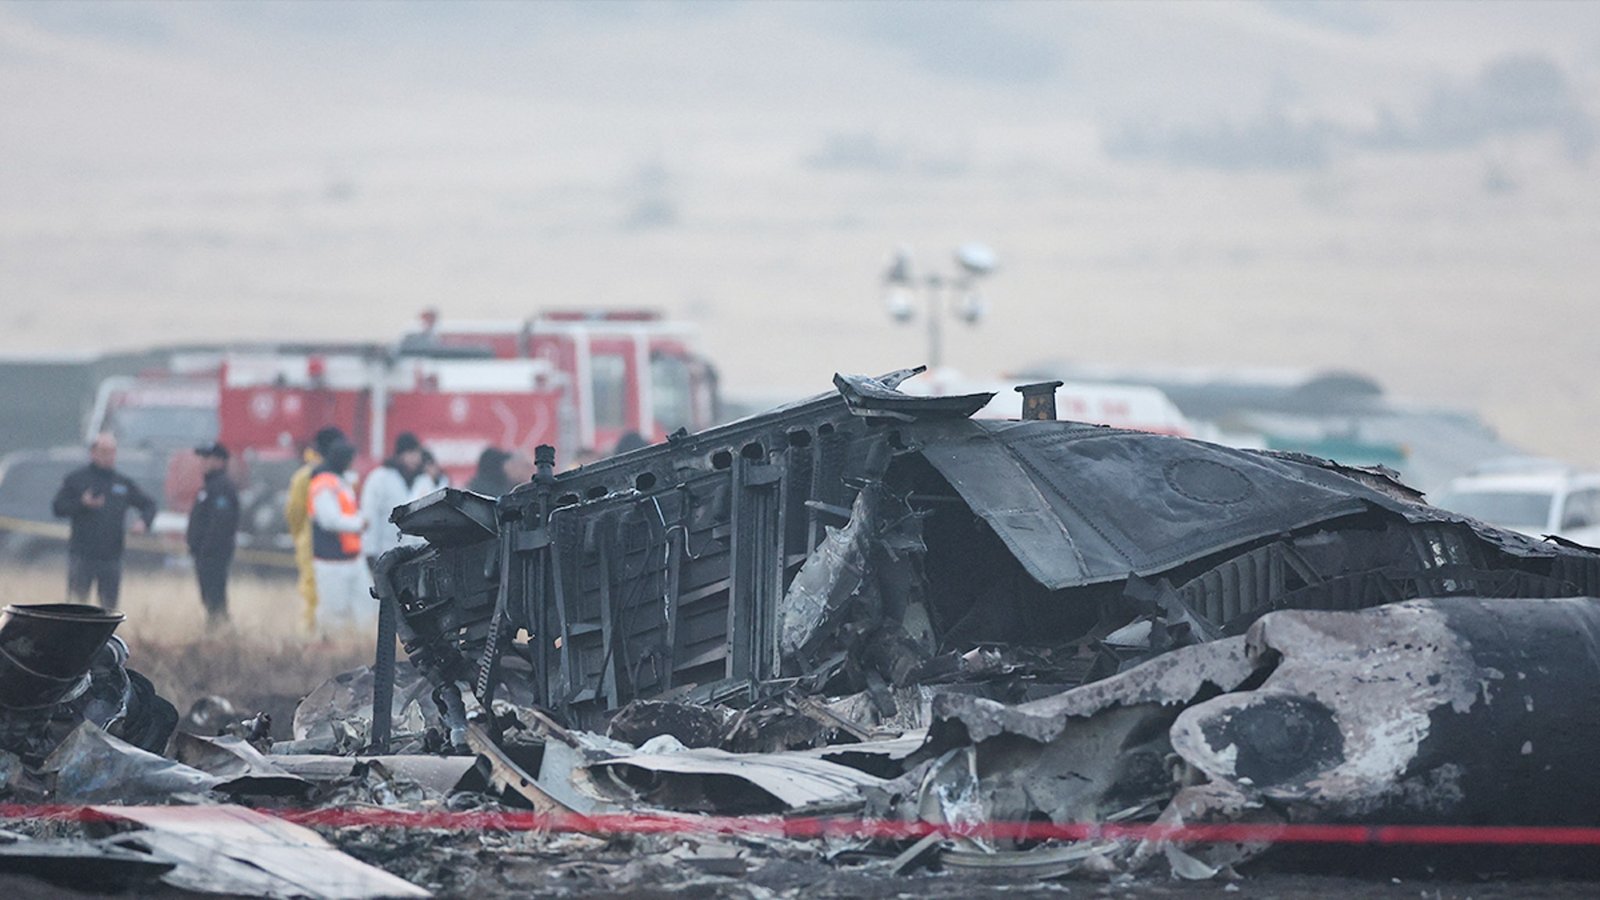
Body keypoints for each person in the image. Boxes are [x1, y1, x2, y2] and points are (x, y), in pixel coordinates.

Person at [51, 433, 157, 610]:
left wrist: (143, 522)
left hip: (111, 556)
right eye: (104, 451)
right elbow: (57, 508)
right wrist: (82, 504)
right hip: (82, 555)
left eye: (112, 451)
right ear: (93, 452)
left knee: (109, 609)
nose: (109, 456)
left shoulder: (122, 483)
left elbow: (149, 505)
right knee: (76, 606)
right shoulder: (76, 479)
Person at [286, 426, 345, 633]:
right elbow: (295, 513)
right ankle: (311, 636)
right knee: (314, 593)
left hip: (313, 543)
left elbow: (293, 514)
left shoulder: (305, 475)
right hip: (317, 545)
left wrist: (300, 537)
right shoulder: (317, 475)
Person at [308, 440, 369, 631]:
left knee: (364, 608)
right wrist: (360, 523)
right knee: (334, 614)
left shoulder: (339, 481)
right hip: (331, 560)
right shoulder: (324, 484)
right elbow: (329, 520)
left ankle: (358, 644)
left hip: (350, 557)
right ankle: (331, 646)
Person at [186, 442, 239, 627]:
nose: (203, 462)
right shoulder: (209, 487)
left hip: (214, 555)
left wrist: (206, 549)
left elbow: (220, 524)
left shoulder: (222, 487)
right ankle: (215, 628)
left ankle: (220, 629)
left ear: (220, 461)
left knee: (215, 596)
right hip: (204, 555)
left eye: (207, 458)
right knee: (208, 597)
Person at [360, 432, 423, 570]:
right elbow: (370, 516)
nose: (415, 458)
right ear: (399, 455)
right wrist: (370, 553)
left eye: (417, 454)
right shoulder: (380, 478)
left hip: (415, 558)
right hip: (385, 555)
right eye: (411, 453)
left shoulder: (421, 480)